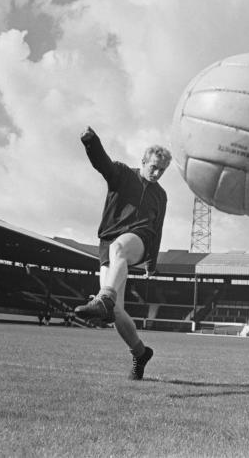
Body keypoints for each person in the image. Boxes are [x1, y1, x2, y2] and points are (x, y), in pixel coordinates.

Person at [74, 125, 171, 380]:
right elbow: (101, 163)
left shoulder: (161, 195)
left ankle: (104, 297)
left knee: (119, 250)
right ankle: (140, 353)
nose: (157, 173)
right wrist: (91, 141)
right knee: (116, 311)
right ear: (143, 161)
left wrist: (152, 261)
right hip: (108, 244)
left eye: (162, 170)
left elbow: (158, 228)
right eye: (154, 167)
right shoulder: (123, 174)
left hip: (140, 239)